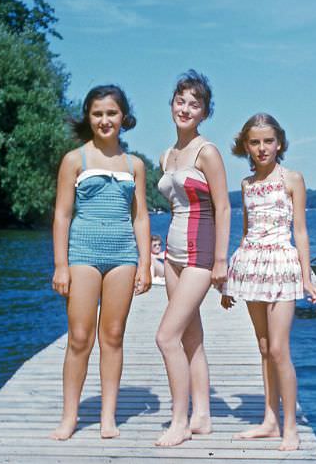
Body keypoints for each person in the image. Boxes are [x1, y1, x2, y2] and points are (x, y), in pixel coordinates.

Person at [50, 85, 152, 440]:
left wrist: (145, 264)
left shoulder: (134, 164)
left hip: (123, 255)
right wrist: (61, 265)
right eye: (97, 113)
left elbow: (140, 218)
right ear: (88, 118)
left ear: (123, 117)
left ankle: (108, 416)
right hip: (82, 255)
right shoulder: (75, 159)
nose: (104, 120)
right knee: (79, 337)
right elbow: (62, 215)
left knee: (113, 335)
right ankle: (70, 417)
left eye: (111, 113)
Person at [221, 113, 316, 451]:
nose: (262, 148)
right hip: (251, 264)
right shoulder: (247, 185)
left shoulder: (292, 179)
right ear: (245, 146)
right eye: (255, 142)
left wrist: (307, 278)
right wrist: (230, 282)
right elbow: (246, 232)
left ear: (279, 143)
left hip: (281, 264)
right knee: (264, 348)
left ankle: (290, 425)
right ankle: (269, 420)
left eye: (268, 141)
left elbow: (301, 231)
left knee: (279, 349)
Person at [155, 70, 231, 446]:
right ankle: (202, 416)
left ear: (204, 112)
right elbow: (176, 206)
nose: (185, 108)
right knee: (189, 338)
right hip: (172, 254)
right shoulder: (166, 155)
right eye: (181, 101)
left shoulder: (207, 152)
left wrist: (221, 261)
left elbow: (224, 207)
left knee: (165, 336)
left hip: (201, 255)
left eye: (194, 104)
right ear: (172, 104)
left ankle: (179, 421)